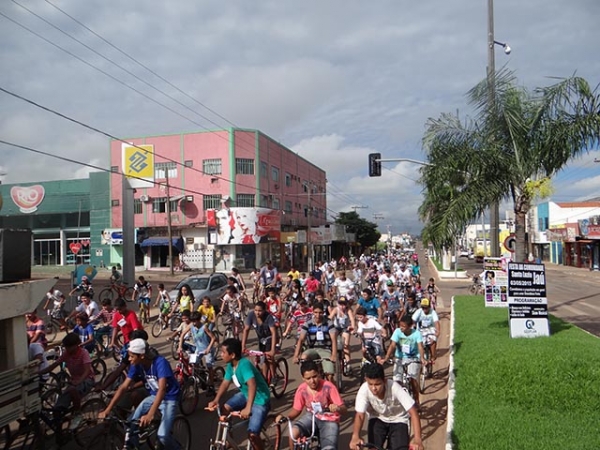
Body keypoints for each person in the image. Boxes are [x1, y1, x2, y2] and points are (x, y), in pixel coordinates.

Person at [99, 338, 181, 449]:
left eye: (132, 356)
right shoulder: (136, 365)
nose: (129, 359)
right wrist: (108, 409)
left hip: (169, 398)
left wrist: (150, 414)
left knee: (163, 436)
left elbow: (162, 390)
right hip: (153, 396)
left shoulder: (160, 362)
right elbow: (123, 387)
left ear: (142, 355)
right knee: (130, 425)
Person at [207, 338, 271, 450]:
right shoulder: (230, 366)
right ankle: (229, 440)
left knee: (252, 435)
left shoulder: (244, 365)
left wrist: (248, 408)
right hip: (245, 394)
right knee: (225, 410)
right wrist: (216, 400)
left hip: (259, 400)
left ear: (232, 355)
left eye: (223, 352)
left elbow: (252, 385)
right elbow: (225, 383)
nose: (221, 355)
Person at [349, 363, 423, 450]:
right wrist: (355, 436)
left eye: (377, 384)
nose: (373, 388)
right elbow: (360, 415)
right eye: (370, 384)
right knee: (373, 447)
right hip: (377, 418)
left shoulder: (394, 388)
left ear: (385, 381)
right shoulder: (364, 390)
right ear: (366, 380)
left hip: (398, 419)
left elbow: (413, 412)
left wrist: (417, 439)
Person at [276, 361, 346, 450]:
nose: (312, 381)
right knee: (293, 434)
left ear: (319, 374)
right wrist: (286, 418)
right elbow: (297, 409)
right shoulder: (302, 389)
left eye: (314, 376)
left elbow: (344, 410)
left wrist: (337, 408)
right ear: (303, 378)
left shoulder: (329, 387)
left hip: (329, 420)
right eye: (308, 378)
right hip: (311, 417)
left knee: (329, 448)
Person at [39, 333, 95, 429]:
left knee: (73, 389)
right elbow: (55, 365)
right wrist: (39, 373)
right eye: (66, 347)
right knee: (58, 408)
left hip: (86, 380)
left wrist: (79, 381)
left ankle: (78, 414)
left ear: (76, 345)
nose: (67, 349)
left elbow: (87, 371)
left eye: (69, 347)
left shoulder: (83, 353)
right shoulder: (66, 354)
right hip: (73, 381)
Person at [378, 316, 425, 409]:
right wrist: (386, 358)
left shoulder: (417, 334)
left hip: (413, 359)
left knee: (412, 380)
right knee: (396, 382)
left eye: (404, 326)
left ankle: (416, 399)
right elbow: (392, 345)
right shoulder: (397, 332)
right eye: (400, 326)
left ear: (410, 326)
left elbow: (420, 347)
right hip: (399, 359)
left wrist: (422, 358)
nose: (401, 328)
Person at [293, 302, 337, 382]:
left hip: (325, 349)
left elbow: (333, 339)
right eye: (316, 312)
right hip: (312, 349)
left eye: (320, 312)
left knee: (329, 376)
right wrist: (296, 356)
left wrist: (333, 355)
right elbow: (301, 340)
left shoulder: (329, 323)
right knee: (304, 358)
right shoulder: (308, 324)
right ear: (313, 312)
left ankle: (333, 392)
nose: (318, 315)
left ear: (323, 313)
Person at [179, 311, 217, 396]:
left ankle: (211, 386)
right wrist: (179, 347)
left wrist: (208, 349)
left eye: (195, 321)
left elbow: (213, 338)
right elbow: (182, 335)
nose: (194, 323)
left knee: (209, 366)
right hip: (198, 349)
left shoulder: (204, 327)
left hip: (207, 349)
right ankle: (200, 378)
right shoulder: (191, 325)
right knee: (193, 364)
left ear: (199, 320)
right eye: (193, 321)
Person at [241, 301, 278, 383]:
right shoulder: (251, 315)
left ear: (264, 310)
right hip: (261, 339)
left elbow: (274, 332)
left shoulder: (269, 317)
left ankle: (274, 375)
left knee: (268, 358)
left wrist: (272, 350)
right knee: (260, 357)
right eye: (256, 310)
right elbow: (246, 330)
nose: (257, 313)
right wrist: (243, 346)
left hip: (270, 337)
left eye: (260, 311)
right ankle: (264, 377)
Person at [329, 297, 355, 371]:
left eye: (344, 304)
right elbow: (330, 317)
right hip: (336, 328)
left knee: (346, 346)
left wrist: (352, 328)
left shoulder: (348, 310)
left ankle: (348, 363)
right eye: (340, 304)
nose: (342, 306)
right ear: (338, 304)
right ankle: (333, 357)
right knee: (332, 341)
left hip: (345, 328)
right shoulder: (335, 309)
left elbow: (352, 320)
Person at [412, 298, 440, 365]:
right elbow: (413, 320)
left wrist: (438, 332)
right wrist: (413, 326)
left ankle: (433, 356)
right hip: (420, 330)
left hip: (430, 329)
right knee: (418, 343)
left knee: (432, 340)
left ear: (429, 307)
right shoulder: (419, 312)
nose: (424, 309)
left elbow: (436, 322)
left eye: (426, 307)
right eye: (423, 307)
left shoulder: (433, 312)